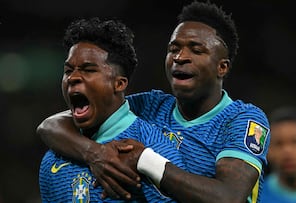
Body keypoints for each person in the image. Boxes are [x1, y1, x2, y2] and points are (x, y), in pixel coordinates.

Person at [37, 1, 271, 202]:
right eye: (174, 49)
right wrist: (95, 153)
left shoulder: (242, 120)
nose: (180, 57)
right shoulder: (151, 105)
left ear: (222, 67)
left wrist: (145, 159)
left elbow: (229, 198)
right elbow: (51, 125)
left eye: (196, 50)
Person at [38, 17, 188, 202]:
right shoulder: (52, 160)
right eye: (68, 70)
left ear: (119, 84)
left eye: (88, 70)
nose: (72, 78)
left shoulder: (151, 146)